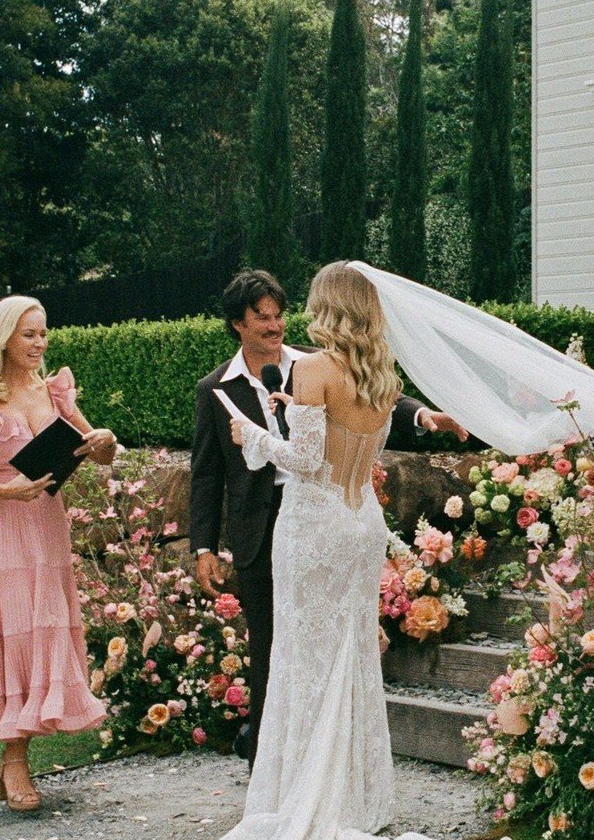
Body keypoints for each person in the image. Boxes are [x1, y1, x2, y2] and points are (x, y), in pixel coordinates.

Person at [164, 262, 527, 840]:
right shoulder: (379, 371)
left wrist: (253, 437)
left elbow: (304, 462)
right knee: (350, 660)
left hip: (312, 527)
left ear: (326, 307)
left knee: (304, 661)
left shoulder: (312, 371)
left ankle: (306, 802)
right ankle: (355, 800)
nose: (284, 318)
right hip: (359, 523)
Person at [188, 267, 468, 762]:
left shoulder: (315, 364)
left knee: (324, 641)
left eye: (279, 316)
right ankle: (271, 764)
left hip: (314, 513)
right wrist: (204, 546)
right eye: (262, 319)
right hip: (264, 524)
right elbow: (207, 475)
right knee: (272, 646)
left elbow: (379, 400)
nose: (275, 327)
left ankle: (313, 769)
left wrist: (423, 416)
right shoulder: (214, 387)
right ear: (238, 324)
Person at [0, 296, 119, 811]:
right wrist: (7, 491)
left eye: (43, 334)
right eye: (29, 335)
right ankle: (13, 760)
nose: (39, 344)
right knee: (12, 634)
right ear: (5, 338)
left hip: (45, 525)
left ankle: (22, 750)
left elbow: (95, 447)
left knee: (43, 631)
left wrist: (104, 439)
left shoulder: (53, 392)